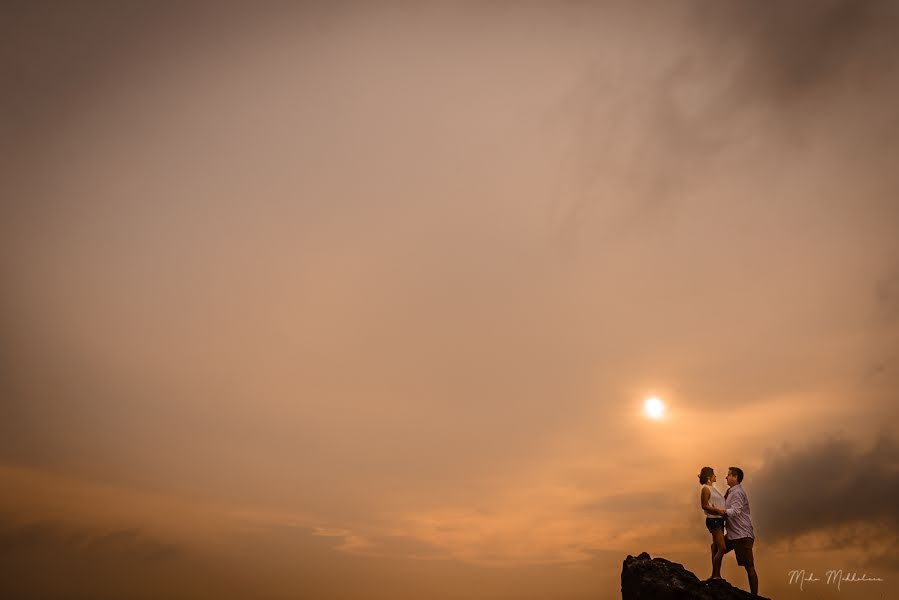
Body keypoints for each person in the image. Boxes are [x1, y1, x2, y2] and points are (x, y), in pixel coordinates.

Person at [708, 466, 758, 596]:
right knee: (716, 547)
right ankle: (715, 576)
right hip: (732, 535)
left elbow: (734, 511)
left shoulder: (738, 493)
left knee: (749, 567)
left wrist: (720, 511)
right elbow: (725, 506)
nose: (726, 477)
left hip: (742, 535)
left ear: (735, 477)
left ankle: (754, 596)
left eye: (729, 475)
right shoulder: (730, 492)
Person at [698, 466, 726, 580]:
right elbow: (704, 505)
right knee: (722, 548)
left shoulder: (714, 489)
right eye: (714, 474)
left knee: (715, 547)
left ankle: (716, 575)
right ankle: (715, 575)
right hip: (713, 520)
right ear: (709, 477)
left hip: (719, 520)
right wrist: (717, 510)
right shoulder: (705, 489)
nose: (716, 476)